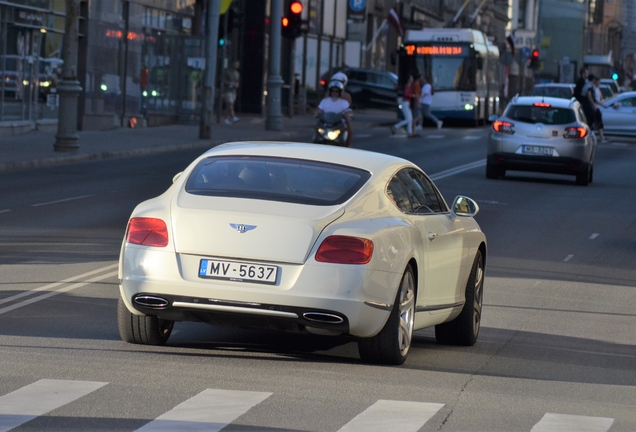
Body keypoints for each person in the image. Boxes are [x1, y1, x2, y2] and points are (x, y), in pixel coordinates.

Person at [328, 71, 353, 146]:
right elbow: (323, 105)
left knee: (349, 127)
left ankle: (348, 144)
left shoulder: (346, 96)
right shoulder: (328, 94)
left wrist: (347, 115)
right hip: (328, 118)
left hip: (341, 119)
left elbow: (348, 108)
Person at [223, 60, 240, 125]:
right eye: (235, 64)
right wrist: (230, 83)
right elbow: (223, 80)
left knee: (229, 105)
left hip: (233, 91)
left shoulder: (237, 73)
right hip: (227, 90)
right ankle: (233, 117)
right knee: (230, 103)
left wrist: (236, 85)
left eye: (237, 65)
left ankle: (226, 119)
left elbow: (237, 81)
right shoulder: (227, 72)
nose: (236, 66)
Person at [592, 75, 608, 142]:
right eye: (598, 82)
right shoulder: (593, 89)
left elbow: (599, 98)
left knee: (599, 123)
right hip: (595, 108)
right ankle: (601, 137)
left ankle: (602, 136)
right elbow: (595, 99)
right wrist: (602, 104)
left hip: (597, 108)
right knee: (597, 123)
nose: (599, 83)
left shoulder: (597, 89)